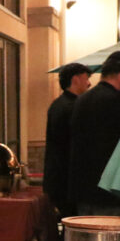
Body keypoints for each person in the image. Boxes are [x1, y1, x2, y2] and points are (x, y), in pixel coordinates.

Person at [66, 51, 120, 215]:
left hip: (83, 190)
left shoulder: (80, 101)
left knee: (88, 238)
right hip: (113, 191)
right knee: (117, 240)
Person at [42, 62, 91, 216]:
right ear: (75, 79)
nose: (89, 83)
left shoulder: (58, 104)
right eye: (86, 78)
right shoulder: (72, 107)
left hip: (57, 179)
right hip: (66, 180)